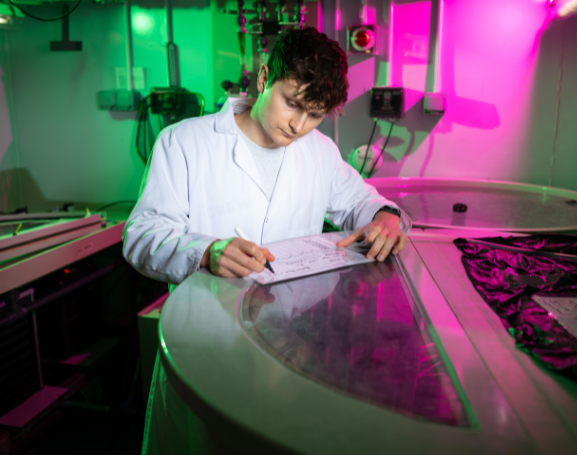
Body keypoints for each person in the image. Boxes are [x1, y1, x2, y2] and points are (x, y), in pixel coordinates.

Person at [123, 26, 410, 455]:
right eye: (291, 103)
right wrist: (206, 250)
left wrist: (386, 217)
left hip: (292, 348)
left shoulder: (319, 152)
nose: (298, 124)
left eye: (314, 115)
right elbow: (141, 235)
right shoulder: (184, 143)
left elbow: (363, 203)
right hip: (207, 346)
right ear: (262, 79)